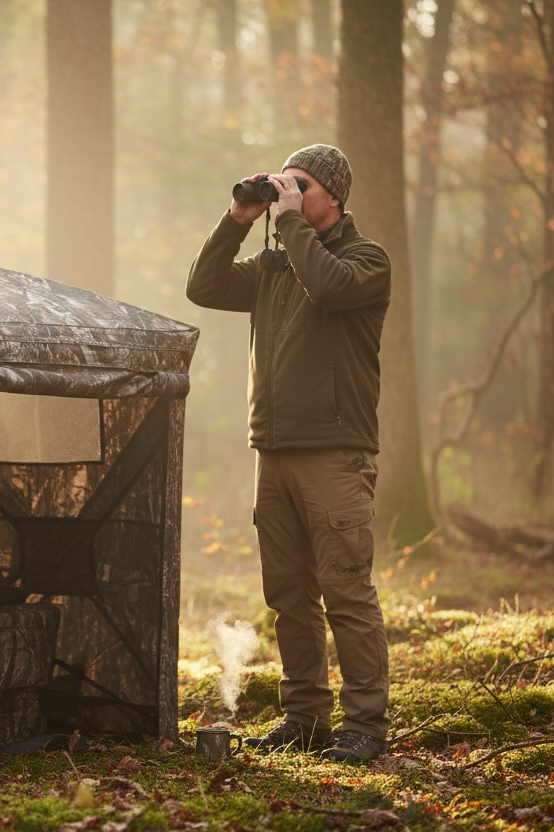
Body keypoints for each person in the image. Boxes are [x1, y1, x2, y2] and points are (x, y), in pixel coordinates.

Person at [186, 144, 391, 762]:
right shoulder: (274, 267)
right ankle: (305, 717)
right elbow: (204, 286)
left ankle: (365, 727)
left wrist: (292, 221)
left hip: (335, 453)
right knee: (288, 595)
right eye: (285, 184)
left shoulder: (366, 261)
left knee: (345, 591)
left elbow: (326, 287)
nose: (289, 195)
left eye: (301, 185)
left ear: (333, 195)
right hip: (272, 452)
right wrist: (238, 220)